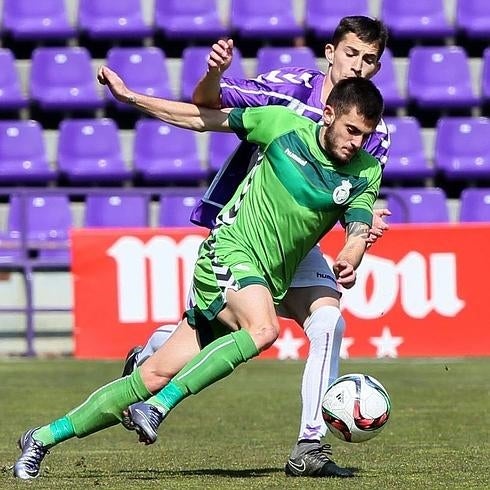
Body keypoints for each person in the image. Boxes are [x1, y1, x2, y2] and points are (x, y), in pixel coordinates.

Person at [13, 72, 384, 481]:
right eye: (350, 130)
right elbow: (201, 118)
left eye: (364, 135)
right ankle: (159, 408)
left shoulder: (365, 170)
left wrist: (351, 255)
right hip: (227, 253)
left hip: (269, 277)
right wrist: (133, 96)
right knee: (263, 329)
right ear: (328, 114)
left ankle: (41, 438)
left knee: (151, 374)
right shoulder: (281, 125)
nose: (355, 143)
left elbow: (358, 225)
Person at [122, 15, 391, 477]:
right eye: (351, 54)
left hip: (297, 244)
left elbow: (358, 204)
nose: (358, 66)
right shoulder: (289, 91)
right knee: (226, 331)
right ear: (330, 53)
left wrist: (358, 237)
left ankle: (310, 445)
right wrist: (213, 74)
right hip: (244, 229)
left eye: (370, 60)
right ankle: (153, 354)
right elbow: (207, 107)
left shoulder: (374, 131)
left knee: (328, 321)